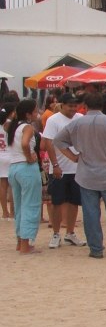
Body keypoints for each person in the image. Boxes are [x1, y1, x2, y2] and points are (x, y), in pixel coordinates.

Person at [52, 92, 106, 258]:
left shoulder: (77, 123)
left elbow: (58, 140)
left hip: (86, 174)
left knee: (90, 213)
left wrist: (73, 157)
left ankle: (95, 248)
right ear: (104, 105)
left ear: (85, 106)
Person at [41, 93, 86, 247]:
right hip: (59, 167)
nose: (73, 109)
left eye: (75, 106)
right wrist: (55, 165)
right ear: (63, 105)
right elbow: (49, 143)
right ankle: (55, 233)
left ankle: (70, 232)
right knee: (57, 202)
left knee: (74, 202)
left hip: (76, 168)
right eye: (70, 106)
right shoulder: (53, 120)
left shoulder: (80, 118)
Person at [6, 99, 43, 254]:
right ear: (28, 114)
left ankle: (20, 240)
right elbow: (25, 143)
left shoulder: (12, 127)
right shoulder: (27, 127)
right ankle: (26, 244)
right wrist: (29, 157)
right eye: (35, 111)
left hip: (13, 167)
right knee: (31, 204)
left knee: (19, 205)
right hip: (26, 167)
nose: (37, 113)